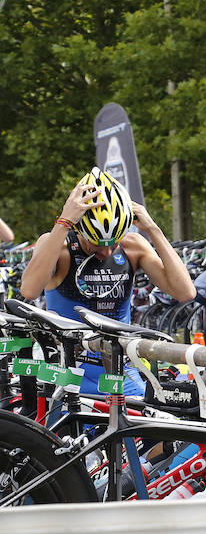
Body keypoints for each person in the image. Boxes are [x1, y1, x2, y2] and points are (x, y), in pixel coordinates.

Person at [20, 168, 195, 396]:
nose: (105, 251)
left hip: (120, 369)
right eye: (96, 244)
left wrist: (153, 230)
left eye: (113, 244)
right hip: (71, 370)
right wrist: (63, 223)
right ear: (78, 227)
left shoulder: (133, 246)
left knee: (138, 427)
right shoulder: (59, 246)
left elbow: (185, 292)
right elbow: (29, 290)